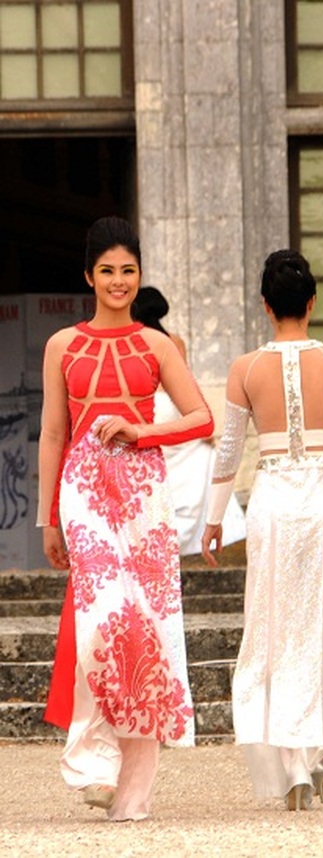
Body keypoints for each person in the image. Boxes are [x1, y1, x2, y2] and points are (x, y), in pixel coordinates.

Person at [38, 216, 214, 821]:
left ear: (140, 276)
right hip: (83, 486)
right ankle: (92, 760)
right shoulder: (63, 344)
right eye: (108, 271)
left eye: (129, 271)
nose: (118, 281)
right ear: (89, 276)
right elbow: (54, 433)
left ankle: (130, 789)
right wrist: (46, 519)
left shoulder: (156, 345)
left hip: (143, 490)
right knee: (101, 620)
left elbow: (202, 418)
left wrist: (142, 431)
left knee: (149, 630)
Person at [201, 249, 323, 811]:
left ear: (264, 304)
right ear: (312, 301)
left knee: (274, 622)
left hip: (274, 497)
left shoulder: (245, 369)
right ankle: (314, 751)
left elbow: (230, 449)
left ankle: (293, 763)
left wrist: (212, 517)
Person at [131, 286, 246, 556]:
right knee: (201, 456)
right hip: (169, 406)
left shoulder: (130, 342)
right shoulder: (174, 341)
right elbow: (184, 385)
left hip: (146, 410)